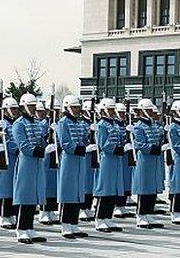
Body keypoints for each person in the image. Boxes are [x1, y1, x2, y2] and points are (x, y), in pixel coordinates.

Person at [11, 94, 48, 243]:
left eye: (34, 105)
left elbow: (41, 139)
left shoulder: (38, 123)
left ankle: (30, 227)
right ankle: (21, 229)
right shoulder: (19, 124)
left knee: (34, 195)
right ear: (24, 106)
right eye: (31, 105)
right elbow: (22, 144)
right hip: (26, 161)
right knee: (25, 195)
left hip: (38, 161)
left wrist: (45, 144)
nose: (33, 108)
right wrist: (36, 150)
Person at [56, 95, 90, 238]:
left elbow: (83, 139)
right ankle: (65, 225)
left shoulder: (80, 123)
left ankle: (74, 224)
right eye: (74, 107)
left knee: (77, 192)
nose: (77, 110)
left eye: (78, 107)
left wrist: (87, 143)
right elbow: (65, 143)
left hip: (79, 160)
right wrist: (81, 149)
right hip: (69, 159)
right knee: (68, 192)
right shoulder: (63, 123)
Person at [131, 99, 165, 229]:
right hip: (145, 159)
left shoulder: (154, 125)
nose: (152, 112)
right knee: (144, 188)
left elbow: (159, 139)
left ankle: (149, 214)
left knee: (153, 187)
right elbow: (140, 144)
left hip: (154, 159)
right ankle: (141, 215)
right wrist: (153, 148)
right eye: (149, 110)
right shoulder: (139, 126)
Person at [93, 98, 125, 233]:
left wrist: (122, 146)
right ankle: (100, 219)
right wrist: (115, 148)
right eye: (110, 110)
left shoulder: (115, 125)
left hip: (115, 160)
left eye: (113, 110)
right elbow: (103, 144)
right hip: (106, 159)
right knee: (105, 190)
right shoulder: (101, 125)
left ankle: (108, 217)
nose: (112, 112)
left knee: (113, 190)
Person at [0, 97, 20, 229]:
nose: (14, 111)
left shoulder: (18, 122)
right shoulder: (1, 123)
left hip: (17, 156)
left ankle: (12, 214)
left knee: (15, 186)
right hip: (6, 157)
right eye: (12, 109)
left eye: (16, 108)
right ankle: (4, 215)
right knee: (5, 186)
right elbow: (3, 140)